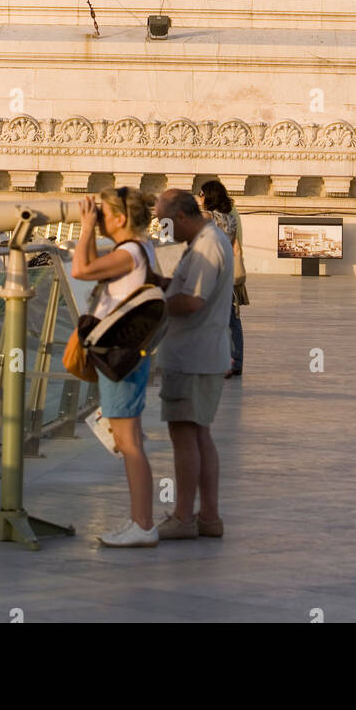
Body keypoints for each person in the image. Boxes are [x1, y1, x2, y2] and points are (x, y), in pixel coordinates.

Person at [72, 188, 159, 548]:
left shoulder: (129, 253)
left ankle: (142, 523)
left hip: (120, 359)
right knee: (130, 440)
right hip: (129, 356)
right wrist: (93, 226)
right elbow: (92, 267)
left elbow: (80, 269)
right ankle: (141, 521)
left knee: (129, 443)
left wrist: (86, 226)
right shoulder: (141, 248)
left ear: (120, 219)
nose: (100, 217)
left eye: (105, 213)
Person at [152, 188, 235, 541]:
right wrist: (162, 284)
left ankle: (184, 516)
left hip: (192, 356)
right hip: (201, 354)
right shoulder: (205, 241)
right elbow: (185, 289)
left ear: (182, 217)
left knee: (184, 435)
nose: (162, 229)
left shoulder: (206, 246)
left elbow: (192, 301)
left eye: (165, 221)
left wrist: (153, 302)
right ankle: (209, 517)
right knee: (199, 435)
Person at [197, 179, 246, 378]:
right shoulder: (231, 218)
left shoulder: (206, 217)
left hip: (212, 272)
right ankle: (236, 360)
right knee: (232, 319)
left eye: (201, 194)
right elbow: (236, 243)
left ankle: (220, 361)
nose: (199, 198)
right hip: (229, 272)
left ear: (208, 197)